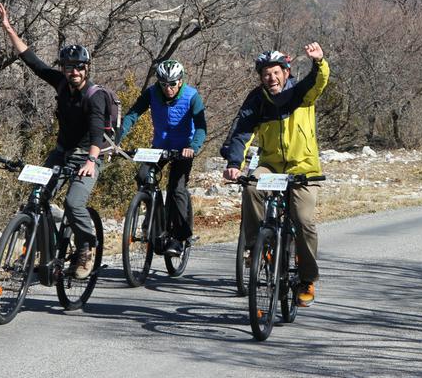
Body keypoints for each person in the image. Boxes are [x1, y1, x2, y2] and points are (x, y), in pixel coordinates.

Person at [0, 3, 109, 279]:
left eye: (79, 67)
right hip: (61, 152)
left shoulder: (95, 96)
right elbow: (33, 61)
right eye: (69, 67)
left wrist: (91, 161)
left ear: (86, 68)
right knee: (36, 199)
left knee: (73, 203)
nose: (74, 72)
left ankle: (85, 248)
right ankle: (38, 255)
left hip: (88, 155)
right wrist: (9, 30)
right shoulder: (60, 83)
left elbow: (97, 132)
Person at [221, 43, 329, 306]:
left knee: (303, 220)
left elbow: (318, 82)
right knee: (251, 187)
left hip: (303, 168)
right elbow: (242, 133)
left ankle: (307, 279)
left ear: (286, 73)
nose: (271, 78)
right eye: (266, 74)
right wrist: (234, 163)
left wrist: (319, 62)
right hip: (271, 165)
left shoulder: (301, 94)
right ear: (261, 77)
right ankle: (256, 247)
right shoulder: (256, 100)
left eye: (276, 73)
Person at [115, 59, 207, 256]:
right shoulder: (152, 93)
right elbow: (132, 115)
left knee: (176, 189)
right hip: (159, 147)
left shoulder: (192, 96)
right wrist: (116, 139)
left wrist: (193, 147)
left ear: (180, 81)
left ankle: (179, 238)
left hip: (183, 149)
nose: (168, 88)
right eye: (163, 84)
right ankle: (154, 220)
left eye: (172, 84)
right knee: (143, 176)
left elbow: (201, 127)